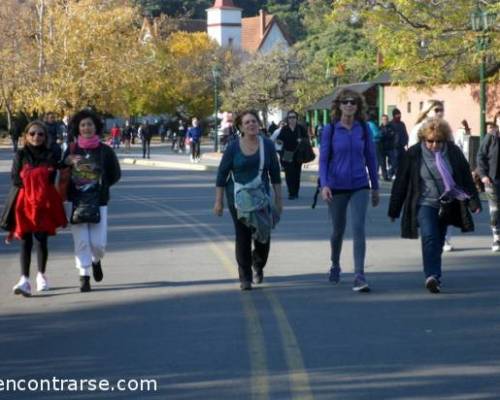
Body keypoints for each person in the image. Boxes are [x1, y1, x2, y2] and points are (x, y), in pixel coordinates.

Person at [389, 118, 481, 293]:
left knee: (438, 240)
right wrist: (394, 209)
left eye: (439, 141)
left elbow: (465, 178)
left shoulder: (453, 152)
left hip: (448, 202)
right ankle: (432, 276)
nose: (434, 145)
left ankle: (433, 273)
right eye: (430, 141)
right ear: (424, 139)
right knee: (429, 236)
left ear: (444, 139)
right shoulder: (414, 154)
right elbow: (401, 181)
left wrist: (473, 202)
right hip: (424, 202)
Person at [214, 110, 282, 291]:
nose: (251, 125)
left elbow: (275, 174)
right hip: (237, 198)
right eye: (247, 122)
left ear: (259, 124)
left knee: (263, 236)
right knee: (242, 235)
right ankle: (245, 276)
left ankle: (257, 264)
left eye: (254, 121)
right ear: (240, 127)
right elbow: (222, 175)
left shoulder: (267, 145)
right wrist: (218, 201)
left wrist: (279, 200)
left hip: (261, 198)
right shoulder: (233, 147)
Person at [319, 90, 379, 292]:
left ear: (358, 106)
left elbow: (371, 158)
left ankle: (359, 275)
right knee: (338, 230)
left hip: (360, 185)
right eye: (346, 102)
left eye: (353, 102)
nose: (350, 105)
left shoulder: (363, 128)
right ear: (339, 105)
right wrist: (325, 184)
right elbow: (323, 159)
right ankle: (335, 264)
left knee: (359, 228)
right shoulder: (330, 129)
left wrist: (375, 187)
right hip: (336, 186)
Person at [1, 121, 67, 296]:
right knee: (25, 240)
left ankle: (41, 275)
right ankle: (24, 279)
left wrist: (32, 175)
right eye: (32, 134)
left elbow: (52, 176)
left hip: (44, 203)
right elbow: (15, 178)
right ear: (26, 136)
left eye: (40, 134)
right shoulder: (20, 155)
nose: (36, 137)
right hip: (24, 203)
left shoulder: (50, 154)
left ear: (45, 137)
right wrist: (36, 176)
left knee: (41, 240)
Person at [63, 110, 121, 292]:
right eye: (83, 125)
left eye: (89, 124)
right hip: (76, 201)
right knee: (81, 242)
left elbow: (115, 174)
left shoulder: (105, 151)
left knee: (98, 244)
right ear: (78, 128)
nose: (86, 128)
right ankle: (84, 276)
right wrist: (67, 161)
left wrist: (101, 187)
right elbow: (60, 170)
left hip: (99, 202)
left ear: (96, 127)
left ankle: (96, 261)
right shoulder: (72, 150)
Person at [276, 110, 310, 199]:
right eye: (290, 117)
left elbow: (306, 139)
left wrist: (301, 140)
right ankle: (291, 192)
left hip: (298, 153)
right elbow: (279, 139)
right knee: (288, 173)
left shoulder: (300, 128)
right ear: (288, 119)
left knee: (296, 173)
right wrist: (279, 143)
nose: (292, 119)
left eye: (293, 117)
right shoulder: (284, 129)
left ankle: (296, 191)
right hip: (287, 153)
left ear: (296, 118)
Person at [477, 121, 500, 252]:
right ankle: (496, 237)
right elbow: (480, 157)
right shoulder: (490, 137)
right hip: (492, 180)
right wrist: (483, 175)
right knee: (495, 209)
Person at [388, 108, 409, 177]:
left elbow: (405, 133)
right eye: (397, 115)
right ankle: (392, 173)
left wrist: (406, 141)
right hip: (394, 146)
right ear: (394, 115)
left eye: (400, 114)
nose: (399, 116)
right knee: (395, 162)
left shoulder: (402, 124)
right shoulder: (390, 124)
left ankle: (397, 174)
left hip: (401, 145)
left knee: (404, 160)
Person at [379, 114, 396, 180]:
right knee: (383, 164)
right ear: (381, 120)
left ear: (388, 120)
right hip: (382, 148)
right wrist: (386, 135)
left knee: (394, 163)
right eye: (383, 119)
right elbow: (379, 137)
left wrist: (385, 135)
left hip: (390, 148)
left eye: (386, 119)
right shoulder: (379, 128)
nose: (385, 121)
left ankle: (390, 174)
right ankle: (385, 176)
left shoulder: (391, 127)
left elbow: (393, 135)